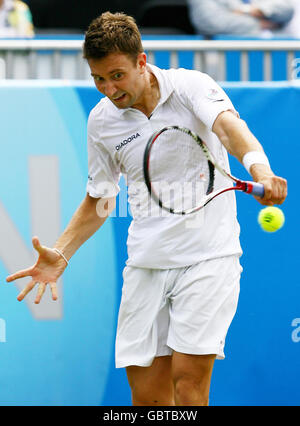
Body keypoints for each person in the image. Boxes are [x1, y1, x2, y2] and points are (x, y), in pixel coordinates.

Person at [6, 12, 287, 406]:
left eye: (117, 75)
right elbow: (100, 198)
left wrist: (261, 169)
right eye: (99, 79)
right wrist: (62, 252)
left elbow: (228, 128)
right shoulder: (102, 121)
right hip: (146, 264)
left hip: (208, 258)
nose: (109, 88)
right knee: (148, 400)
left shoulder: (191, 86)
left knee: (189, 387)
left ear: (142, 61)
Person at [187, 0, 294, 37]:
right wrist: (259, 23)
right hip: (226, 61)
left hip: (275, 59)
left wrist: (248, 10)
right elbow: (211, 22)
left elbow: (287, 9)